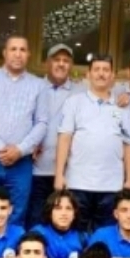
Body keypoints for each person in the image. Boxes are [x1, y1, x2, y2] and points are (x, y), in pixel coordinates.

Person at [0, 34, 48, 226]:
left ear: (28, 54)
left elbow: (42, 123)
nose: (18, 54)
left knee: (17, 215)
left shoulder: (39, 85)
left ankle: (11, 246)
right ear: (4, 53)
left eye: (22, 50)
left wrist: (20, 150)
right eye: (13, 49)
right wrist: (0, 148)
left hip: (21, 161)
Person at [53, 53, 130, 233]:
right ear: (88, 74)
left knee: (105, 234)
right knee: (76, 232)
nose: (101, 74)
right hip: (78, 182)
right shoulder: (74, 102)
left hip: (111, 184)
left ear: (112, 75)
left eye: (106, 70)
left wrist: (129, 179)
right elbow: (64, 138)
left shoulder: (122, 106)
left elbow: (128, 144)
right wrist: (59, 174)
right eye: (96, 69)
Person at [29, 43, 81, 226]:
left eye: (66, 60)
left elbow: (106, 90)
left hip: (68, 171)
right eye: (56, 59)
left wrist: (122, 97)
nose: (61, 64)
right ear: (47, 63)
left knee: (64, 223)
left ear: (71, 65)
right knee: (36, 219)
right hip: (36, 168)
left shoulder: (81, 91)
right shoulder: (33, 87)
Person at [32, 189, 87, 258]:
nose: (64, 213)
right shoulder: (38, 233)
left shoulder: (82, 237)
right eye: (58, 208)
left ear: (74, 214)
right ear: (50, 212)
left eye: (68, 208)